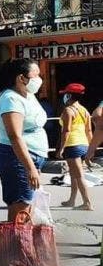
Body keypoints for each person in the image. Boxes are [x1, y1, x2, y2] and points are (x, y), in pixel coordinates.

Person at [0, 58, 48, 223]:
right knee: (20, 211)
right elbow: (15, 136)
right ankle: (15, 240)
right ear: (21, 78)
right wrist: (30, 168)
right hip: (17, 159)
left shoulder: (28, 95)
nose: (39, 79)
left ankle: (21, 239)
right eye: (35, 75)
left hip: (32, 157)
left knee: (28, 208)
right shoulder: (11, 99)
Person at [55, 83, 93, 211]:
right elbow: (89, 131)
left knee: (79, 175)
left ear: (69, 96)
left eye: (66, 94)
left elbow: (66, 131)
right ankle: (71, 200)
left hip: (72, 145)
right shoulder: (85, 111)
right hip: (83, 145)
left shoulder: (68, 111)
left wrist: (61, 149)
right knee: (73, 174)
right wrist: (91, 149)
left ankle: (87, 203)